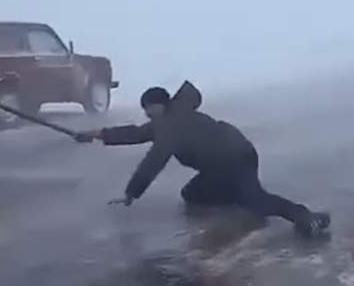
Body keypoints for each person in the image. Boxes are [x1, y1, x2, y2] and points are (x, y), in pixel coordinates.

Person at [75, 81, 332, 238]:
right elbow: (136, 133)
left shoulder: (170, 125)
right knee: (192, 193)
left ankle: (307, 217)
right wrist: (96, 134)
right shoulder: (170, 119)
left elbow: (153, 161)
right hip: (231, 158)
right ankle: (242, 197)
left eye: (148, 108)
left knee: (258, 200)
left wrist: (132, 193)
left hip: (233, 159)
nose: (146, 113)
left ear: (159, 105)